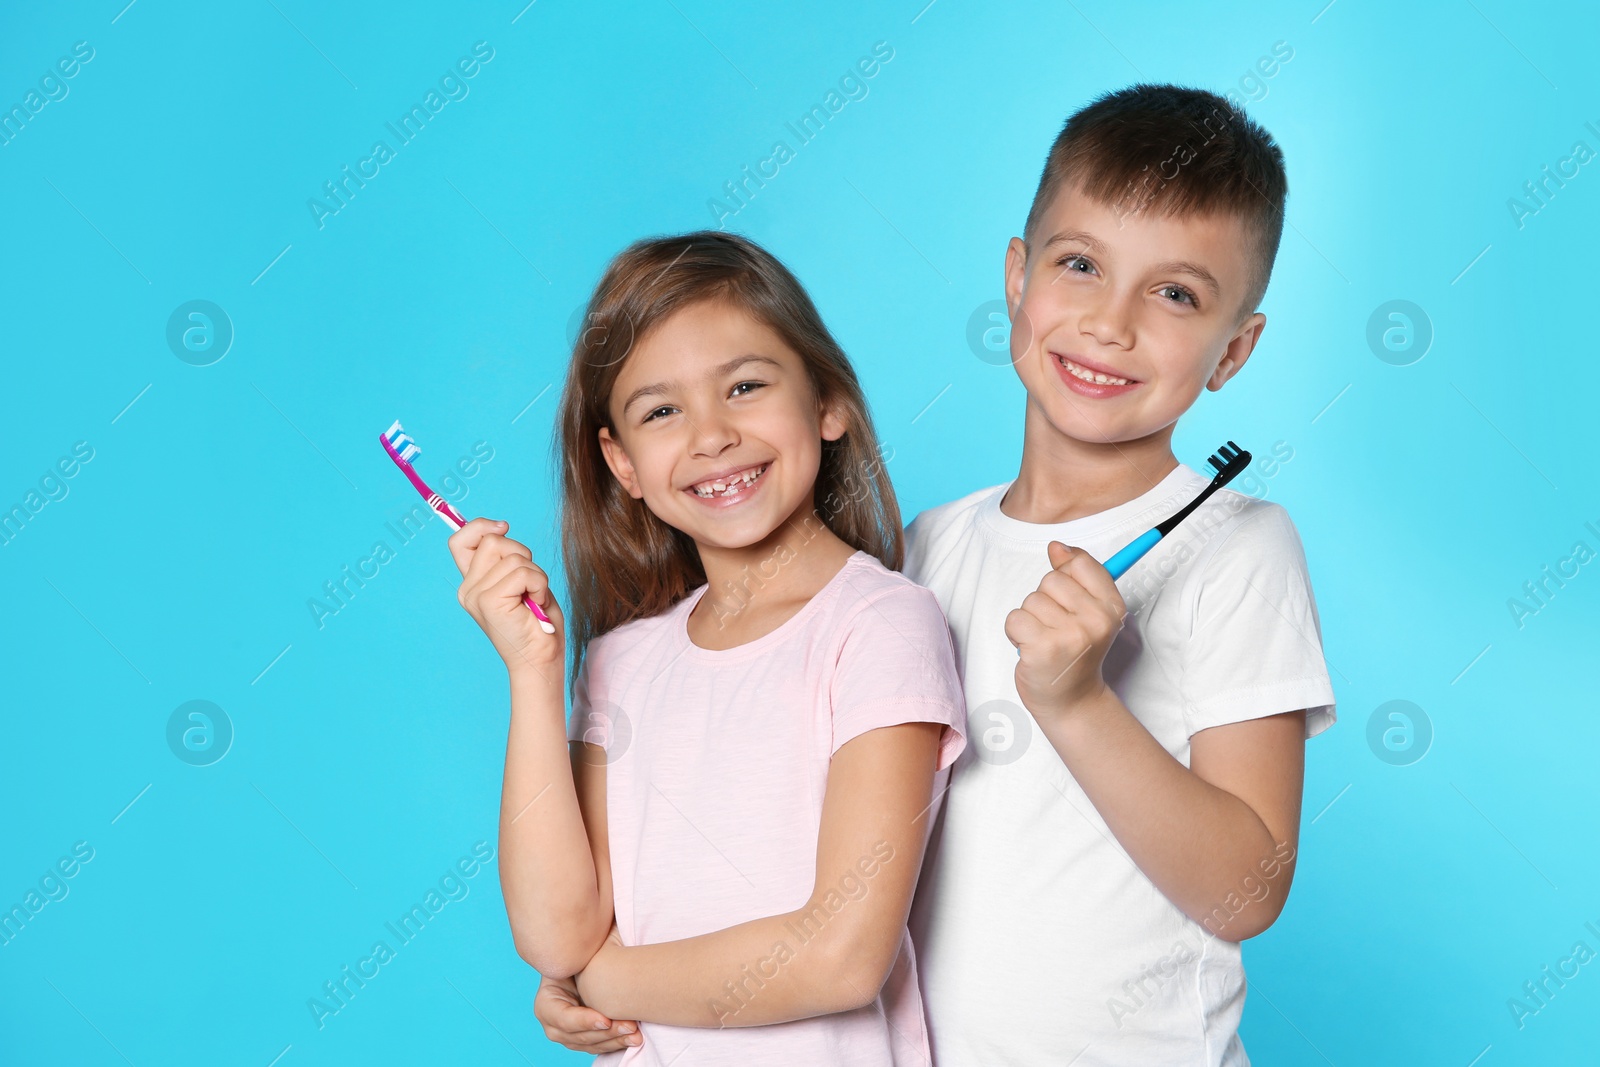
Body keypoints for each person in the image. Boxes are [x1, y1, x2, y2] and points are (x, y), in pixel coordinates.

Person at [451, 230, 967, 1064]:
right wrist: (535, 672)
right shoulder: (621, 660)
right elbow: (558, 937)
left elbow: (840, 957)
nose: (711, 434)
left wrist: (603, 981)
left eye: (746, 386)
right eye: (662, 410)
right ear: (622, 464)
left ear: (828, 402)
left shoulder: (880, 624)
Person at [903, 83, 1336, 1066]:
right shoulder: (926, 546)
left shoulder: (1238, 547)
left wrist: (1078, 702)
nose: (1109, 322)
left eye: (1174, 292)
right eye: (1080, 264)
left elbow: (1247, 889)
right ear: (1016, 277)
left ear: (1234, 348)